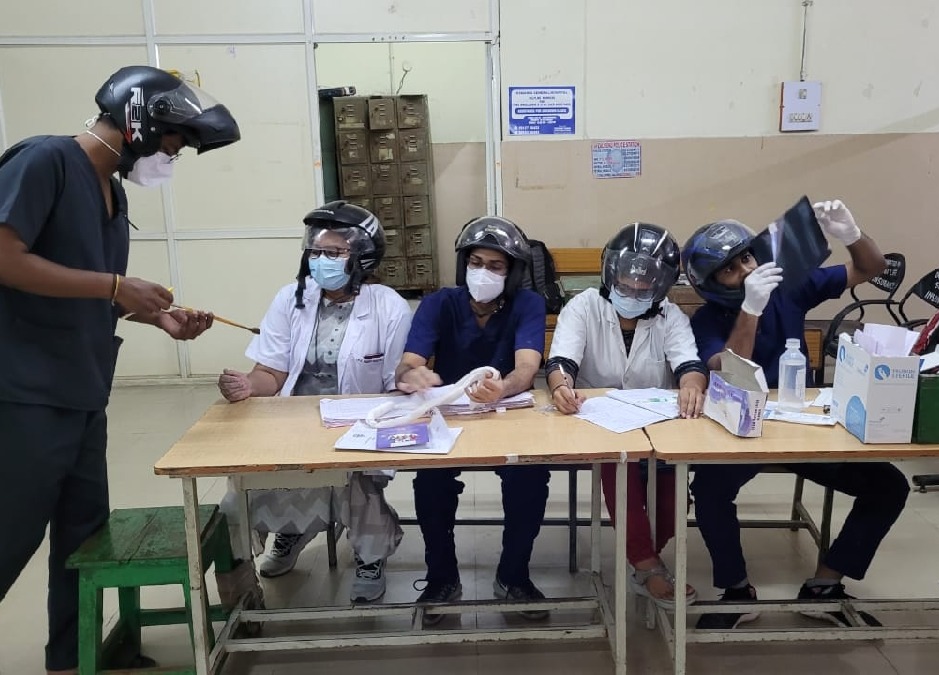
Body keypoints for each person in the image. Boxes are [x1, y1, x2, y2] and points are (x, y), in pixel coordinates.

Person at [0, 65, 238, 675]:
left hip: (81, 388)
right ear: (141, 123)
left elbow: (83, 289)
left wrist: (155, 317)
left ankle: (71, 660)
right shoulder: (46, 162)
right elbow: (5, 258)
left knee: (82, 536)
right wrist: (113, 284)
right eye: (173, 142)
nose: (174, 155)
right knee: (11, 532)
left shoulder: (113, 191)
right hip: (25, 391)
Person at [683, 199, 910, 630]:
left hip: (799, 423)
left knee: (889, 486)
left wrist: (851, 233)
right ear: (711, 284)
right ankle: (736, 590)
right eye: (731, 269)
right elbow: (733, 369)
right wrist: (750, 310)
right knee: (710, 491)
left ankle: (825, 586)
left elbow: (871, 268)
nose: (747, 270)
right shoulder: (707, 320)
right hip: (740, 428)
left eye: (746, 257)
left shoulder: (788, 288)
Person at [217, 201, 410, 604]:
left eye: (335, 252)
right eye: (317, 251)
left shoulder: (387, 305)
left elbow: (397, 382)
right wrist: (247, 385)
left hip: (357, 421)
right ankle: (290, 532)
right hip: (293, 418)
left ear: (363, 255)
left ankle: (369, 556)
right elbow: (270, 373)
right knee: (242, 491)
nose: (322, 260)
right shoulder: (291, 298)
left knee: (353, 482)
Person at [545, 223, 707, 611]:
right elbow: (561, 360)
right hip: (597, 422)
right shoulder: (583, 305)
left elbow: (689, 363)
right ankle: (648, 565)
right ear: (610, 272)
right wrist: (560, 386)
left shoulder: (671, 316)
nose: (633, 290)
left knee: (671, 501)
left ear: (661, 284)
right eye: (626, 280)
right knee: (622, 470)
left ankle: (644, 557)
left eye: (644, 285)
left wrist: (692, 385)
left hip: (657, 426)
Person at [394, 216, 547, 625]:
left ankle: (514, 575)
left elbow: (526, 368)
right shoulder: (438, 303)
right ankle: (442, 578)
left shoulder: (528, 304)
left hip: (504, 416)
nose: (483, 272)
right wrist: (414, 377)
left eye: (496, 266)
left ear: (512, 273)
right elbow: (407, 365)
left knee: (530, 478)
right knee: (430, 481)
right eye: (476, 262)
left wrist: (504, 388)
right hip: (450, 417)